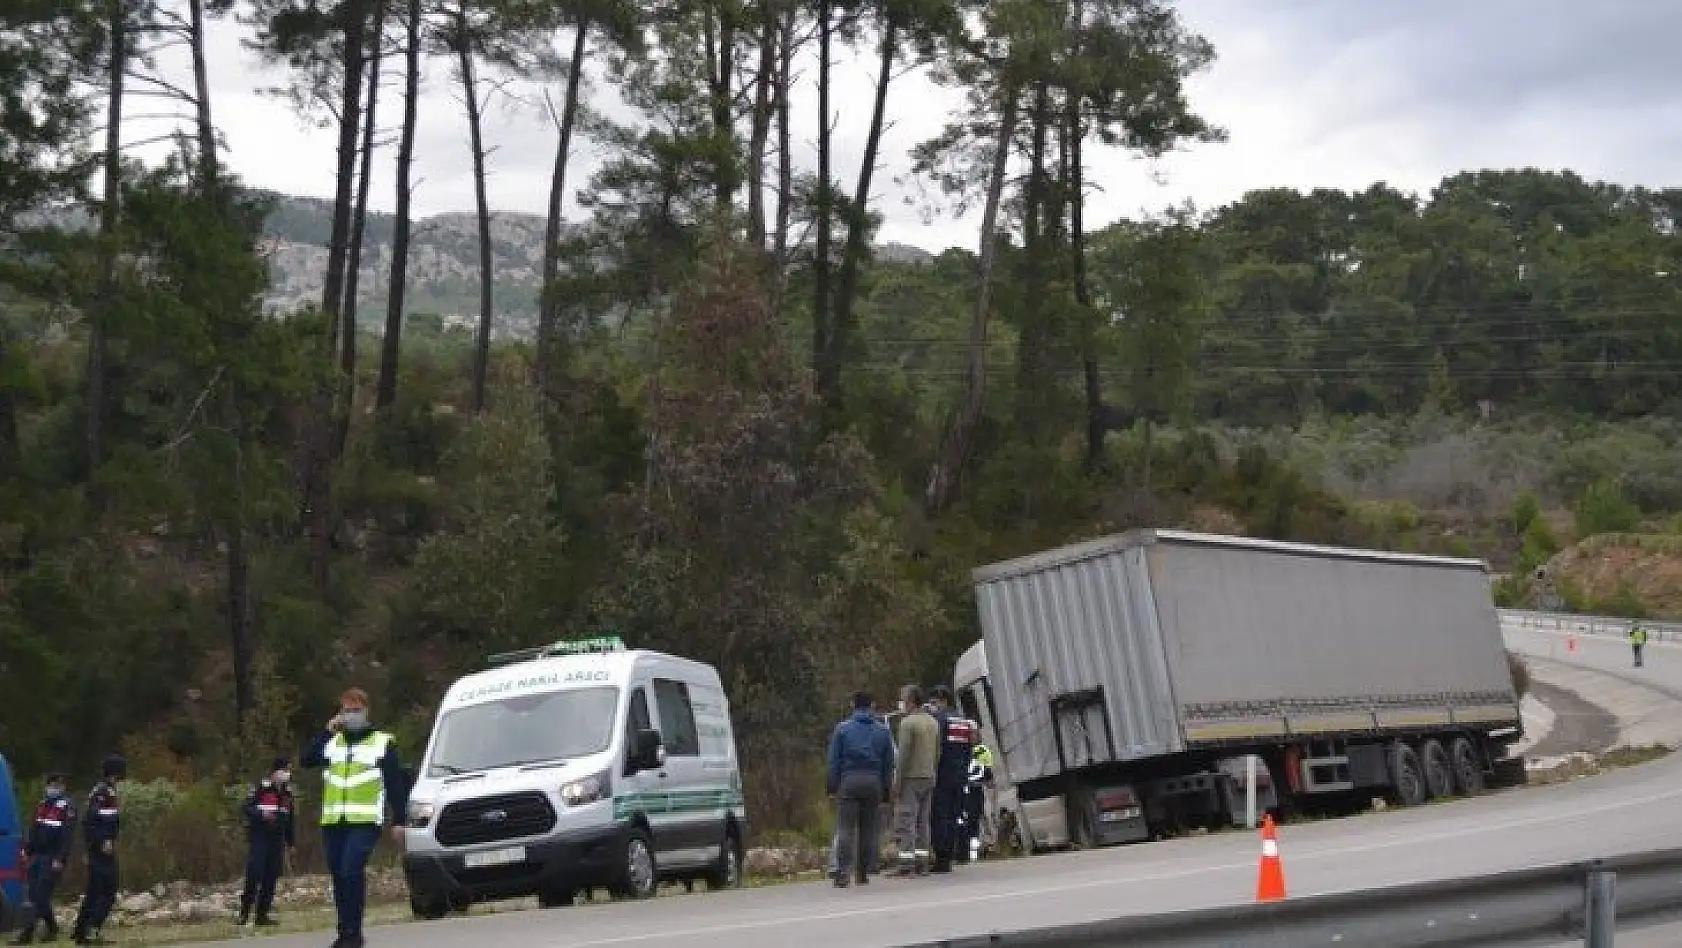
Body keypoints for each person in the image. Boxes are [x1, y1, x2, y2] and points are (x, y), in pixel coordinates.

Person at [301, 688, 409, 948]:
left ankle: (353, 933)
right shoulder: (332, 743)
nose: (352, 715)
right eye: (347, 711)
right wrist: (327, 731)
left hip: (364, 821)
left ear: (367, 711)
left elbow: (395, 784)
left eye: (356, 710)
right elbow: (306, 759)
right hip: (334, 822)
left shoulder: (383, 743)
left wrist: (399, 820)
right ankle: (345, 931)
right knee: (339, 876)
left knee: (351, 871)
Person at [826, 692, 894, 888]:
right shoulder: (883, 731)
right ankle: (862, 872)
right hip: (873, 782)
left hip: (849, 781)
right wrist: (886, 790)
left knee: (846, 828)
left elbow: (834, 761)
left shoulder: (842, 729)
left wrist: (832, 785)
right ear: (872, 705)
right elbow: (888, 764)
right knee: (869, 829)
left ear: (852, 705)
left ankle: (843, 872)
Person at [11, 772, 75, 945]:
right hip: (37, 857)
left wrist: (60, 858)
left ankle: (27, 933)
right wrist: (27, 850)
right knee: (34, 896)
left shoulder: (66, 807)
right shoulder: (42, 805)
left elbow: (66, 837)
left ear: (63, 787)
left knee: (40, 896)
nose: (54, 789)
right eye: (52, 785)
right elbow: (34, 831)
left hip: (52, 857)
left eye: (58, 786)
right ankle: (52, 928)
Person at [70, 755, 124, 947]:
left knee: (94, 891)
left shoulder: (101, 790)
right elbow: (93, 821)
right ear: (117, 771)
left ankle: (80, 932)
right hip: (102, 849)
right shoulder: (104, 792)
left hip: (96, 848)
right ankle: (92, 930)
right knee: (108, 890)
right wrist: (105, 840)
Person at [238, 758, 296, 927]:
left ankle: (262, 916)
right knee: (254, 874)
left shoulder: (288, 793)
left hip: (277, 840)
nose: (287, 774)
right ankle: (244, 913)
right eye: (284, 770)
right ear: (275, 772)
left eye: (288, 771)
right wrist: (261, 815)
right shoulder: (261, 788)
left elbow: (290, 820)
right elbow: (247, 808)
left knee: (271, 877)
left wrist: (291, 843)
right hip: (260, 837)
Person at [889, 686, 938, 877]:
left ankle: (906, 864)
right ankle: (923, 863)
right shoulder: (932, 722)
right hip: (928, 776)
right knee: (923, 822)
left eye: (902, 699)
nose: (901, 703)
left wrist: (897, 781)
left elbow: (903, 756)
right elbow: (936, 753)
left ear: (910, 700)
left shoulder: (907, 724)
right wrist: (933, 772)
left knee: (907, 820)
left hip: (911, 777)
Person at [926, 686, 974, 873]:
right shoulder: (964, 721)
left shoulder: (939, 721)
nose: (932, 706)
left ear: (942, 700)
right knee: (955, 815)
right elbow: (969, 749)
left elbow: (935, 750)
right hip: (960, 774)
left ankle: (942, 858)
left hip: (943, 774)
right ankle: (955, 852)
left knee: (940, 816)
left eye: (934, 702)